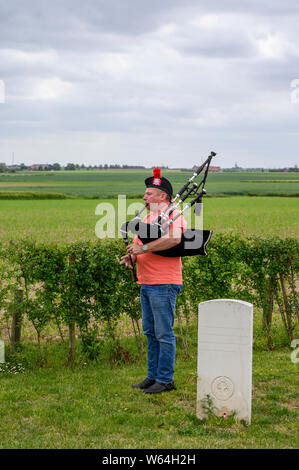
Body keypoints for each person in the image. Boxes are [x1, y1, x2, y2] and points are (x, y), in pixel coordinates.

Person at [120, 169, 187, 394]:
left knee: (163, 333)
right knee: (150, 331)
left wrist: (144, 248)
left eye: (149, 194)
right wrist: (132, 256)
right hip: (146, 282)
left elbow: (174, 239)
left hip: (164, 283)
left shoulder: (174, 214)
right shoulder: (149, 218)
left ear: (163, 197)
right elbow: (141, 247)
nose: (144, 197)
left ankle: (166, 380)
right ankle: (153, 377)